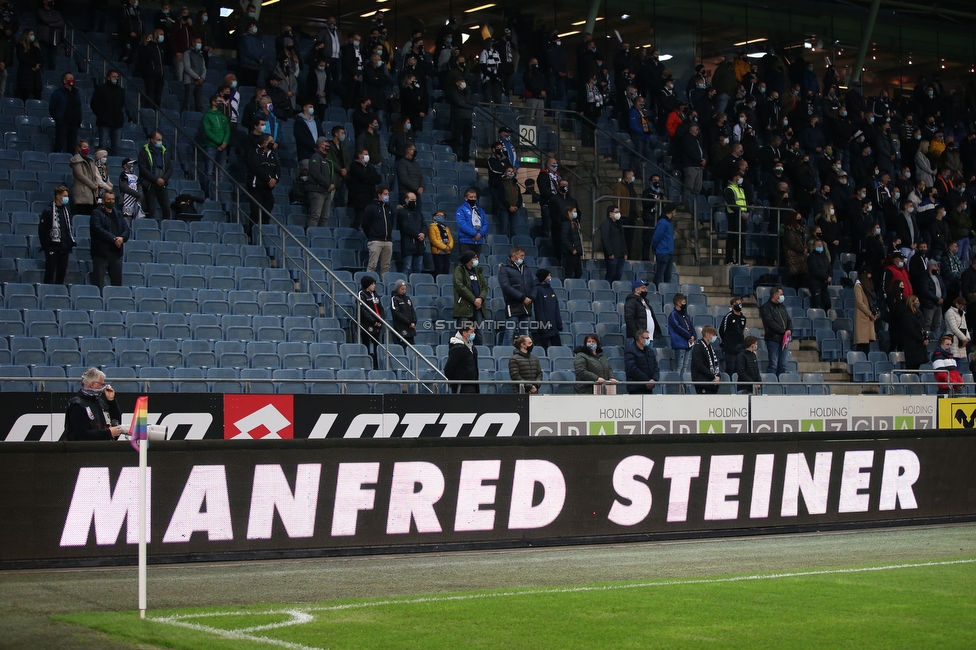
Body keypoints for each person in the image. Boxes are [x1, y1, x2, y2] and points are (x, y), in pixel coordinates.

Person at [64, 368, 123, 441]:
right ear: (92, 384)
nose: (104, 387)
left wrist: (111, 401)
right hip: (84, 450)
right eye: (102, 384)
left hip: (102, 448)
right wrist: (108, 433)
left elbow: (115, 422)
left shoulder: (100, 402)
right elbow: (81, 434)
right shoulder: (77, 405)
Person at [89, 191, 129, 290]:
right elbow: (97, 229)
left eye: (112, 199)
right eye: (108, 199)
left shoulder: (118, 214)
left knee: (117, 285)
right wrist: (113, 239)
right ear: (103, 201)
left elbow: (126, 229)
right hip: (101, 255)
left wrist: (122, 238)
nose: (111, 201)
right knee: (98, 284)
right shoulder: (96, 213)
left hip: (116, 254)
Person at [245, 133, 280, 241]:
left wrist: (275, 179)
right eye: (271, 141)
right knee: (255, 213)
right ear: (265, 142)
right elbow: (256, 168)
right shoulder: (254, 153)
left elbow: (278, 169)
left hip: (268, 189)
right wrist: (268, 179)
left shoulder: (273, 155)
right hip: (256, 187)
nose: (273, 143)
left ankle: (263, 237)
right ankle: (251, 235)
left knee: (266, 214)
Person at [38, 186, 75, 285]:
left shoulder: (66, 211)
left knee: (61, 273)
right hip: (52, 247)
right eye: (65, 196)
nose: (67, 198)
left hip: (64, 247)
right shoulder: (48, 211)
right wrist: (46, 246)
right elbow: (42, 231)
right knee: (50, 273)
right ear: (58, 196)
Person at [453, 250, 488, 345]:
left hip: (478, 307)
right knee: (463, 334)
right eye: (474, 257)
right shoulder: (459, 270)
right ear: (469, 260)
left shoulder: (478, 271)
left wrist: (480, 298)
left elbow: (485, 287)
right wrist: (474, 299)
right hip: (464, 307)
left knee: (479, 334)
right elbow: (460, 286)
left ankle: (478, 355)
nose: (477, 259)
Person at [201, 94, 231, 200]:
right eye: (219, 101)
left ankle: (219, 196)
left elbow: (227, 130)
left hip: (223, 148)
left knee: (221, 173)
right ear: (213, 102)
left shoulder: (223, 116)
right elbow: (208, 132)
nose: (221, 103)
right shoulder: (207, 116)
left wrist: (225, 143)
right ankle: (207, 195)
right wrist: (220, 143)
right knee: (209, 172)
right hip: (211, 147)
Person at [138, 132, 173, 221]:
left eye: (161, 140)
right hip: (149, 185)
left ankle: (166, 226)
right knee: (151, 209)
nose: (160, 142)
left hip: (162, 184)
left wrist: (163, 179)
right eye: (158, 140)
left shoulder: (164, 151)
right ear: (152, 140)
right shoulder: (143, 152)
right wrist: (156, 179)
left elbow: (170, 168)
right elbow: (143, 169)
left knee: (166, 208)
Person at [70, 141, 111, 216]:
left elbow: (94, 175)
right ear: (79, 148)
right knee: (81, 215)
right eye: (84, 147)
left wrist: (95, 183)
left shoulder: (90, 160)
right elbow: (80, 175)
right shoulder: (76, 160)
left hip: (91, 194)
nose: (87, 149)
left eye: (87, 147)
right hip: (82, 192)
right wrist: (92, 185)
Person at [90, 70, 125, 155]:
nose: (116, 79)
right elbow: (93, 104)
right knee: (103, 146)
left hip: (117, 123)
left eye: (117, 77)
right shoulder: (101, 89)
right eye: (114, 77)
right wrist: (101, 115)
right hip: (104, 123)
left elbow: (121, 105)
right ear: (108, 77)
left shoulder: (121, 90)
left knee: (116, 146)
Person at [361, 186, 395, 274]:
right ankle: (368, 286)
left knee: (386, 267)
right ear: (379, 195)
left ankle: (384, 285)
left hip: (388, 241)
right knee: (372, 265)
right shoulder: (371, 208)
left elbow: (392, 223)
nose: (387, 196)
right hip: (375, 241)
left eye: (388, 194)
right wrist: (372, 235)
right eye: (385, 194)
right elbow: (365, 224)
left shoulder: (389, 209)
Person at [760, 287, 793, 376]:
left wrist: (790, 329)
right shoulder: (766, 308)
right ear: (775, 295)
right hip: (773, 339)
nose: (783, 296)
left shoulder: (782, 306)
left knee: (783, 365)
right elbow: (770, 323)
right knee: (773, 364)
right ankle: (770, 384)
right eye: (781, 294)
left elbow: (788, 319)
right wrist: (784, 331)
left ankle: (780, 385)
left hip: (784, 340)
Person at [348, 148, 381, 229]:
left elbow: (378, 178)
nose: (367, 156)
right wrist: (370, 178)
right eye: (365, 154)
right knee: (359, 218)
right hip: (359, 197)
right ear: (359, 155)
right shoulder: (355, 166)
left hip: (370, 196)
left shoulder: (369, 167)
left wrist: (368, 179)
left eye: (368, 154)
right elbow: (363, 177)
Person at [306, 137, 336, 228]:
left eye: (328, 143)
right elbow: (316, 174)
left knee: (325, 217)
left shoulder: (327, 159)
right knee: (316, 216)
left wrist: (333, 184)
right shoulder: (315, 157)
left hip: (327, 191)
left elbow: (332, 174)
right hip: (317, 190)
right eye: (326, 143)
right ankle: (312, 236)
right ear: (320, 145)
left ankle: (322, 237)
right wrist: (327, 185)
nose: (328, 145)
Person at [50, 72, 82, 154]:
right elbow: (52, 108)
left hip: (74, 124)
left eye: (72, 78)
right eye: (69, 78)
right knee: (59, 144)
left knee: (72, 146)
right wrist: (58, 119)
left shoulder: (76, 92)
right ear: (64, 81)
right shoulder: (58, 93)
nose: (72, 80)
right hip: (63, 123)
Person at [357, 275, 384, 368]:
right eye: (372, 284)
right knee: (366, 344)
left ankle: (377, 365)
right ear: (367, 284)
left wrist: (381, 320)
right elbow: (363, 310)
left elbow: (381, 308)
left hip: (378, 324)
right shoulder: (361, 294)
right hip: (367, 324)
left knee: (377, 345)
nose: (374, 286)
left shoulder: (375, 295)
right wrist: (373, 321)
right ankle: (367, 364)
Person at [533, 268, 563, 350]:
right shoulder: (539, 290)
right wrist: (543, 327)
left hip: (554, 328)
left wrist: (559, 324)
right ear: (543, 277)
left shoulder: (551, 290)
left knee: (558, 349)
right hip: (545, 328)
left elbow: (556, 308)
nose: (550, 277)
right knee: (543, 349)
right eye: (548, 275)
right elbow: (539, 310)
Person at [445, 323, 480, 393]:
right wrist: (452, 381)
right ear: (464, 333)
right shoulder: (458, 348)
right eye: (471, 332)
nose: (474, 334)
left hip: (473, 384)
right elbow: (449, 367)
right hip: (461, 386)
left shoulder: (472, 347)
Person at [397, 192, 426, 276]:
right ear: (406, 200)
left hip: (419, 245)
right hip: (408, 244)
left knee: (418, 268)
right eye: (412, 200)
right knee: (407, 267)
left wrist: (423, 233)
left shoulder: (418, 212)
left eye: (415, 200)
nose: (414, 202)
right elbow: (405, 227)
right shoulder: (402, 212)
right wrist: (418, 235)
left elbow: (424, 225)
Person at [668, 293, 696, 376]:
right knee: (679, 366)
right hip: (679, 344)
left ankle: (682, 386)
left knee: (685, 366)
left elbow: (691, 326)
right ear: (678, 303)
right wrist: (688, 336)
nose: (685, 304)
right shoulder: (673, 315)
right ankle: (677, 386)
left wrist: (694, 335)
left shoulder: (685, 315)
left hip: (688, 344)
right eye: (683, 302)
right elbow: (677, 327)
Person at [624, 329, 660, 394]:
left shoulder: (650, 351)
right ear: (640, 339)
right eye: (647, 338)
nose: (648, 340)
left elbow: (655, 367)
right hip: (635, 388)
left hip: (649, 388)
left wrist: (654, 379)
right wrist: (646, 381)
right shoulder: (630, 351)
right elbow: (632, 369)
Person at [917, 258, 946, 334]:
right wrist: (937, 299)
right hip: (929, 304)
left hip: (939, 304)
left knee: (938, 323)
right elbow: (925, 291)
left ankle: (936, 340)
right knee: (928, 323)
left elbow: (943, 288)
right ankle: (927, 340)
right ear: (930, 266)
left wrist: (943, 298)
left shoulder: (938, 277)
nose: (937, 268)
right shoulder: (925, 277)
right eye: (936, 266)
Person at [724, 171, 748, 265]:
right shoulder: (729, 189)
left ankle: (740, 260)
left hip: (742, 217)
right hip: (733, 216)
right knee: (732, 238)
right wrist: (741, 213)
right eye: (739, 176)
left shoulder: (741, 189)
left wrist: (746, 212)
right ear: (734, 177)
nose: (741, 178)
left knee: (741, 239)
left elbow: (744, 202)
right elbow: (731, 204)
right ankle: (729, 260)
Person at [455, 188, 489, 256]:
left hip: (478, 242)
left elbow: (485, 224)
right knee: (465, 264)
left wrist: (480, 234)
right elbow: (462, 224)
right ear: (466, 198)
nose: (473, 199)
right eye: (471, 197)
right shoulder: (461, 210)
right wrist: (475, 234)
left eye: (474, 197)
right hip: (466, 241)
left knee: (475, 264)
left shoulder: (480, 210)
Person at [853, 268, 879, 354]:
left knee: (867, 344)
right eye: (868, 275)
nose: (870, 276)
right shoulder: (858, 286)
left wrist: (874, 313)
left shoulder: (867, 287)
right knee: (862, 344)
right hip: (862, 317)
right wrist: (869, 313)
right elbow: (859, 302)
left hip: (869, 318)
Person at [650, 202, 676, 285]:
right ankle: (656, 292)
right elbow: (656, 237)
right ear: (672, 211)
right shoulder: (663, 222)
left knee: (667, 276)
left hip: (668, 252)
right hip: (663, 252)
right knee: (659, 275)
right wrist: (654, 247)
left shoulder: (667, 222)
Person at [900, 294, 929, 370]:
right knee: (911, 368)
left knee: (917, 368)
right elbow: (911, 330)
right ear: (911, 302)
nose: (918, 303)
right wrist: (921, 340)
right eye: (916, 301)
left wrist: (926, 338)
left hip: (919, 345)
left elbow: (922, 327)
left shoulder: (919, 314)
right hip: (912, 345)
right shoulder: (907, 315)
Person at [599, 205, 627, 283]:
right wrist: (610, 252)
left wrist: (625, 252)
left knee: (618, 274)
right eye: (616, 212)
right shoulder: (606, 224)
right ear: (610, 213)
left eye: (619, 212)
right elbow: (605, 239)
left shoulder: (619, 224)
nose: (618, 214)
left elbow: (622, 239)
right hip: (612, 255)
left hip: (620, 254)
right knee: (611, 274)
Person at [690, 325, 721, 394]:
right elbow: (699, 365)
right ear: (707, 335)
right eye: (713, 335)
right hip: (702, 382)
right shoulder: (698, 347)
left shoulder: (711, 348)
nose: (715, 337)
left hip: (712, 383)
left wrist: (718, 376)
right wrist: (712, 377)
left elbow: (716, 364)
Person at [449, 77, 474, 162]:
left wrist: (466, 103)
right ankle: (455, 157)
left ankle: (466, 159)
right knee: (457, 139)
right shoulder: (455, 93)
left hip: (468, 119)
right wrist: (469, 105)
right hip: (459, 119)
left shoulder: (467, 92)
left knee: (467, 141)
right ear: (457, 83)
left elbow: (473, 101)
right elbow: (459, 103)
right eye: (462, 81)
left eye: (464, 81)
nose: (464, 83)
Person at [719, 297, 747, 370]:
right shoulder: (728, 317)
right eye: (736, 303)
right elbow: (722, 330)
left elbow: (741, 330)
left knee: (739, 368)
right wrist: (727, 341)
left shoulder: (743, 318)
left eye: (740, 303)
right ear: (732, 305)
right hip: (730, 348)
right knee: (731, 368)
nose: (739, 305)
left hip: (740, 347)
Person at [15, 29, 43, 103]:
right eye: (31, 34)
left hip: (36, 74)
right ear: (26, 35)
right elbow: (22, 58)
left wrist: (37, 65)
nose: (32, 36)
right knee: (24, 93)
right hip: (25, 73)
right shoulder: (20, 46)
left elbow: (40, 58)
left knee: (37, 93)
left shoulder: (36, 46)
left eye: (33, 34)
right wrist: (33, 65)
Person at [390, 279, 417, 348]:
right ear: (397, 288)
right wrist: (408, 322)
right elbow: (396, 313)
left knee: (412, 348)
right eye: (402, 289)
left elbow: (412, 310)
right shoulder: (394, 299)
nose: (404, 291)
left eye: (405, 289)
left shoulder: (407, 299)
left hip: (410, 329)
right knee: (402, 347)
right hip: (401, 327)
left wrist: (414, 321)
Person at [182, 38, 207, 113]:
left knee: (199, 104)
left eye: (200, 42)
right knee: (187, 102)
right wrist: (198, 78)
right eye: (198, 42)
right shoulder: (187, 53)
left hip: (199, 82)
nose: (200, 44)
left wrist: (202, 78)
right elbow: (187, 68)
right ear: (193, 43)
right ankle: (184, 116)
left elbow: (204, 68)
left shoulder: (201, 55)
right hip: (190, 82)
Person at [944, 297, 970, 370]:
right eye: (961, 304)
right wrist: (964, 338)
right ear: (956, 303)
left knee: (959, 362)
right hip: (953, 339)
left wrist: (967, 338)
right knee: (953, 361)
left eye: (963, 305)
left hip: (961, 341)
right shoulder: (950, 312)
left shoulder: (962, 314)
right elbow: (954, 327)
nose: (962, 306)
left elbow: (965, 326)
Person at [560, 205, 585, 280]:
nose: (575, 213)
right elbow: (564, 238)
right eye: (574, 212)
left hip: (577, 251)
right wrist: (572, 249)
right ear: (569, 212)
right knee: (569, 272)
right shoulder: (566, 224)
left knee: (579, 273)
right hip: (571, 253)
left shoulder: (574, 223)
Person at [807, 239, 832, 310]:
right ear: (814, 247)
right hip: (815, 283)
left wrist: (830, 276)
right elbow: (815, 270)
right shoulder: (811, 257)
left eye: (821, 245)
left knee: (827, 304)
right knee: (817, 303)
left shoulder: (824, 257)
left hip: (824, 284)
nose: (820, 246)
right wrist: (826, 277)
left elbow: (829, 268)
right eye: (818, 245)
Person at [428, 210, 454, 276]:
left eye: (442, 216)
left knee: (446, 269)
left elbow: (450, 239)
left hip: (447, 252)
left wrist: (449, 247)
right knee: (439, 269)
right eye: (439, 215)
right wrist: (445, 247)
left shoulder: (446, 228)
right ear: (434, 217)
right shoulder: (432, 227)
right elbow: (433, 240)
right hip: (438, 252)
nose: (441, 217)